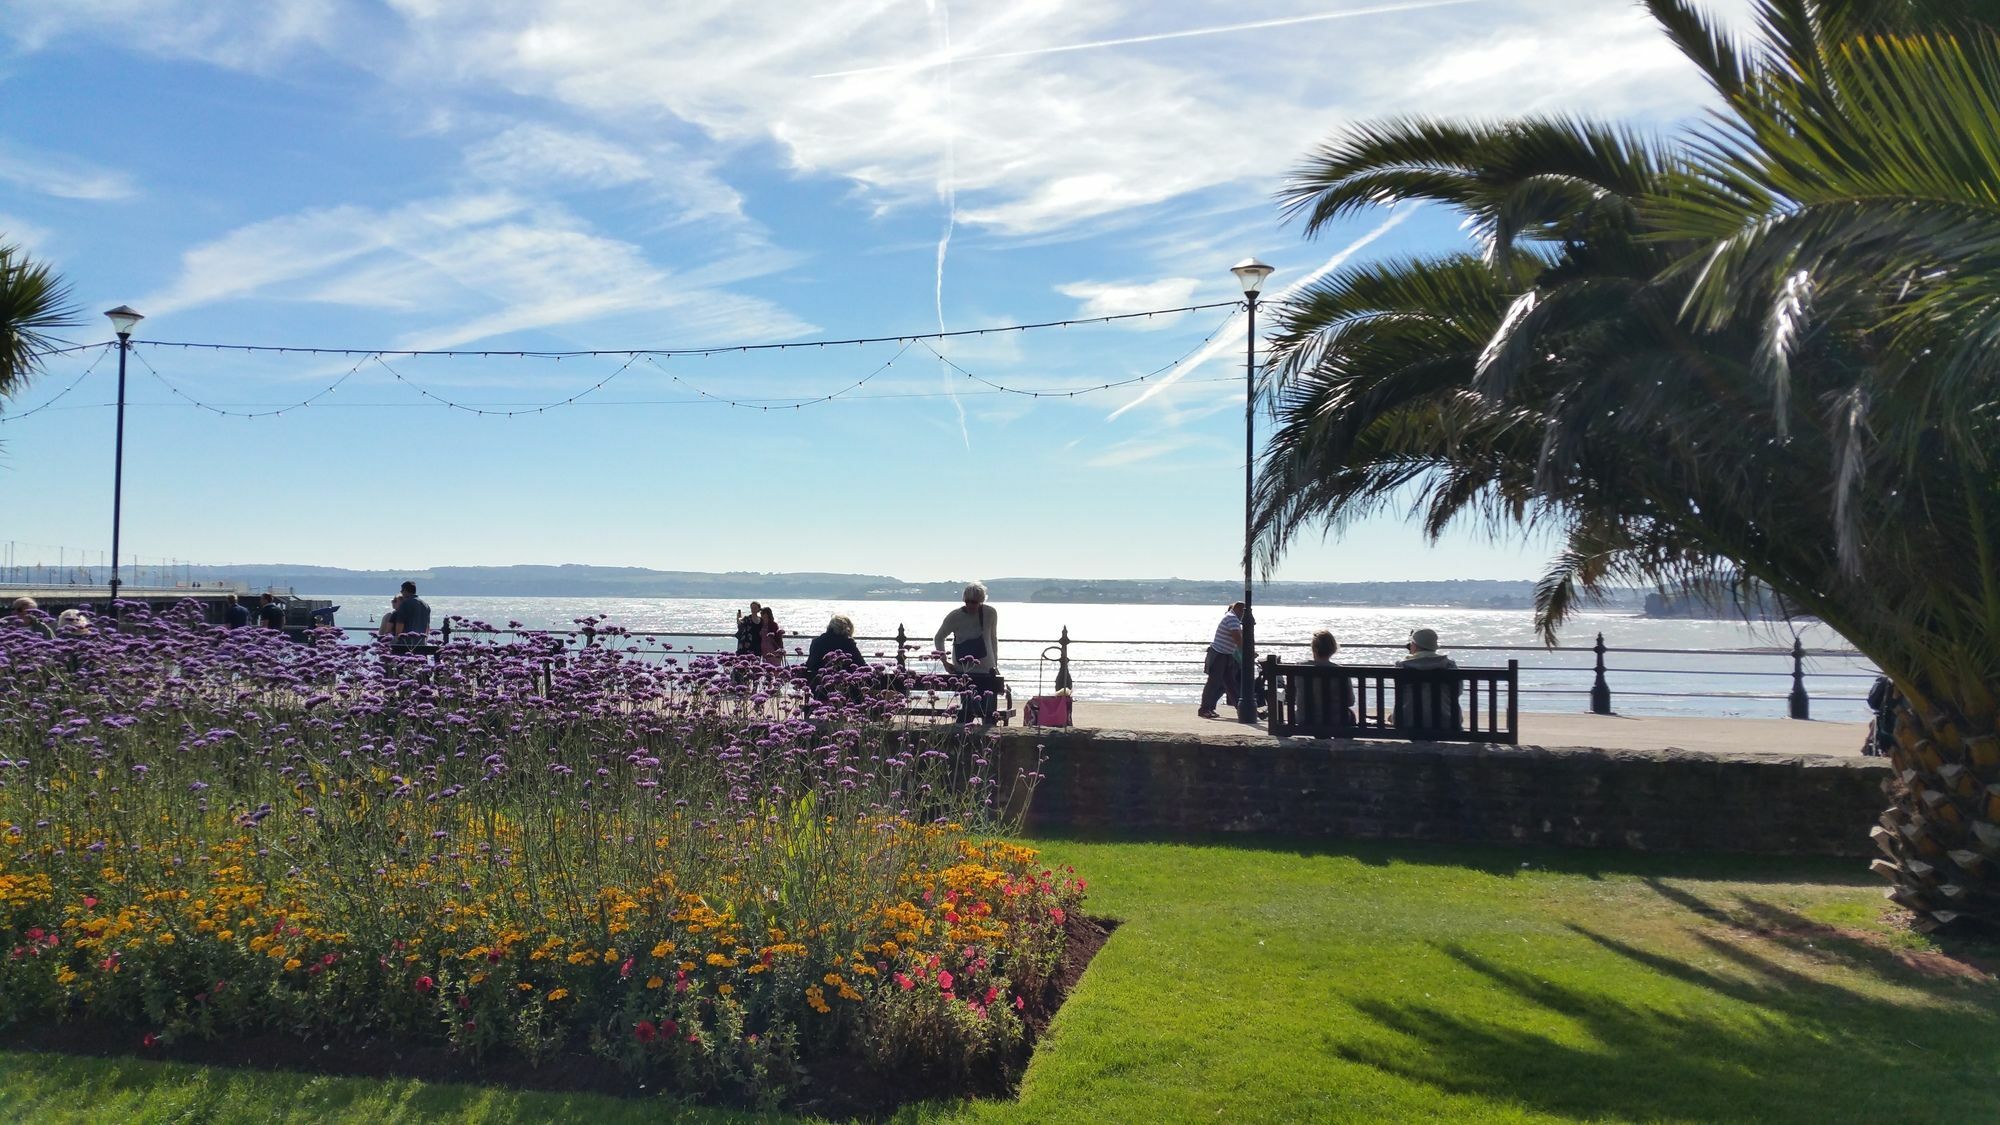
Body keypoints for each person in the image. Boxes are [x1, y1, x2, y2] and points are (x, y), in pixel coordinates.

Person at [934, 583, 1001, 723]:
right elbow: (939, 637)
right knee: (968, 708)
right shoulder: (955, 616)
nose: (970, 605)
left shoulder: (990, 613)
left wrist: (995, 664)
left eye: (974, 602)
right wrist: (945, 662)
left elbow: (993, 639)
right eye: (967, 601)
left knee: (988, 710)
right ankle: (963, 738)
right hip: (964, 668)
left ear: (981, 601)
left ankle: (985, 739)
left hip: (986, 668)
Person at [1396, 627, 1463, 733]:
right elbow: (1458, 691)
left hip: (1408, 722)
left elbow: (1399, 694)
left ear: (1414, 645)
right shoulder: (1449, 665)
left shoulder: (1402, 665)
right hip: (1447, 722)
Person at [1294, 629, 1354, 730]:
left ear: (1313, 648)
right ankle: (1341, 745)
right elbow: (1350, 701)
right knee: (1351, 716)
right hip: (1335, 721)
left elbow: (1293, 697)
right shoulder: (1341, 672)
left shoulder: (1298, 669)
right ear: (1333, 649)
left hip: (1304, 719)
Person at [1197, 602, 1244, 719]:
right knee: (1214, 683)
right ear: (1239, 610)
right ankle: (1204, 709)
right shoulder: (1232, 618)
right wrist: (1248, 652)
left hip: (1226, 654)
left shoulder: (1231, 618)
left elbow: (1238, 638)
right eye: (1244, 612)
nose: (1244, 615)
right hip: (1219, 654)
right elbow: (1237, 638)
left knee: (1230, 683)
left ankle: (1241, 709)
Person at [805, 614, 865, 688]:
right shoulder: (848, 643)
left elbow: (810, 665)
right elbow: (861, 665)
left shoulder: (816, 641)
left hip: (818, 687)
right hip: (844, 687)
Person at [390, 581, 431, 647]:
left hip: (406, 643)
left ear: (405, 590)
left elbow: (400, 623)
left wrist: (396, 639)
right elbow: (427, 626)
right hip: (421, 643)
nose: (401, 592)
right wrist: (425, 641)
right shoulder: (425, 605)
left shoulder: (405, 604)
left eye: (402, 590)